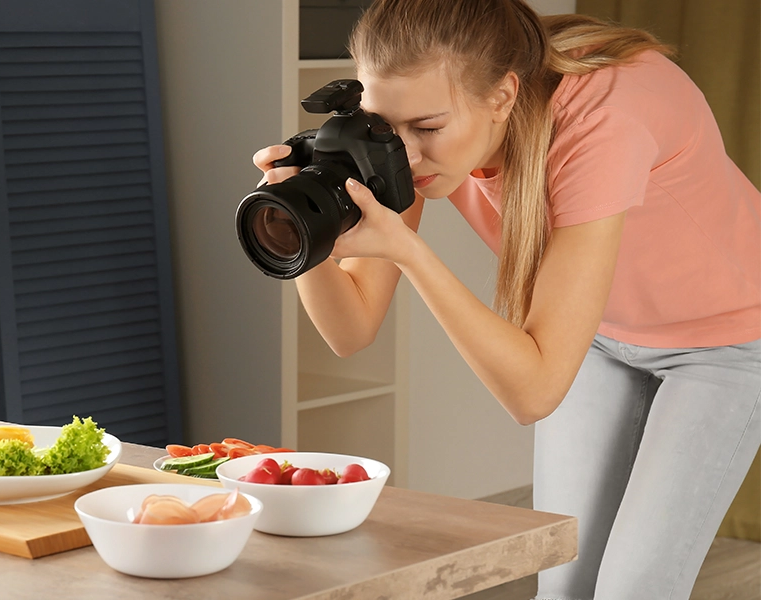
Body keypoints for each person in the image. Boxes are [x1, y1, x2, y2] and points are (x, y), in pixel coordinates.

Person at [252, 1, 761, 598]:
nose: (406, 154)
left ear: (502, 96)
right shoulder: (411, 134)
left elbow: (533, 394)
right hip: (596, 335)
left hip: (726, 342)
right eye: (387, 127)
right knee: (561, 579)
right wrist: (295, 222)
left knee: (634, 589)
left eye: (429, 128)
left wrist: (412, 255)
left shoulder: (603, 123)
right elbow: (350, 330)